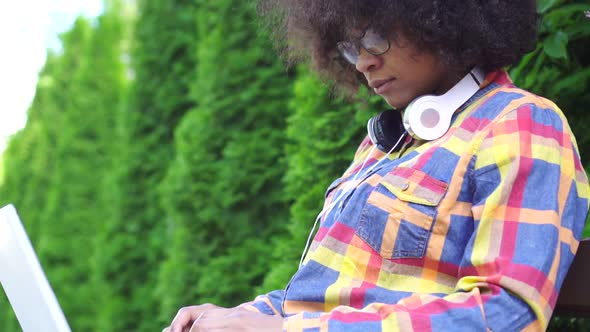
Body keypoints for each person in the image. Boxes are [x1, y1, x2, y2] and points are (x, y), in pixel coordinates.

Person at [163, 1, 590, 331]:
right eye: (350, 48)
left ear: (440, 18)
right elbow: (319, 296)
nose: (364, 62)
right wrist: (240, 316)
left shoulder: (521, 124)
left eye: (377, 36)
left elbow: (504, 313)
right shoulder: (380, 145)